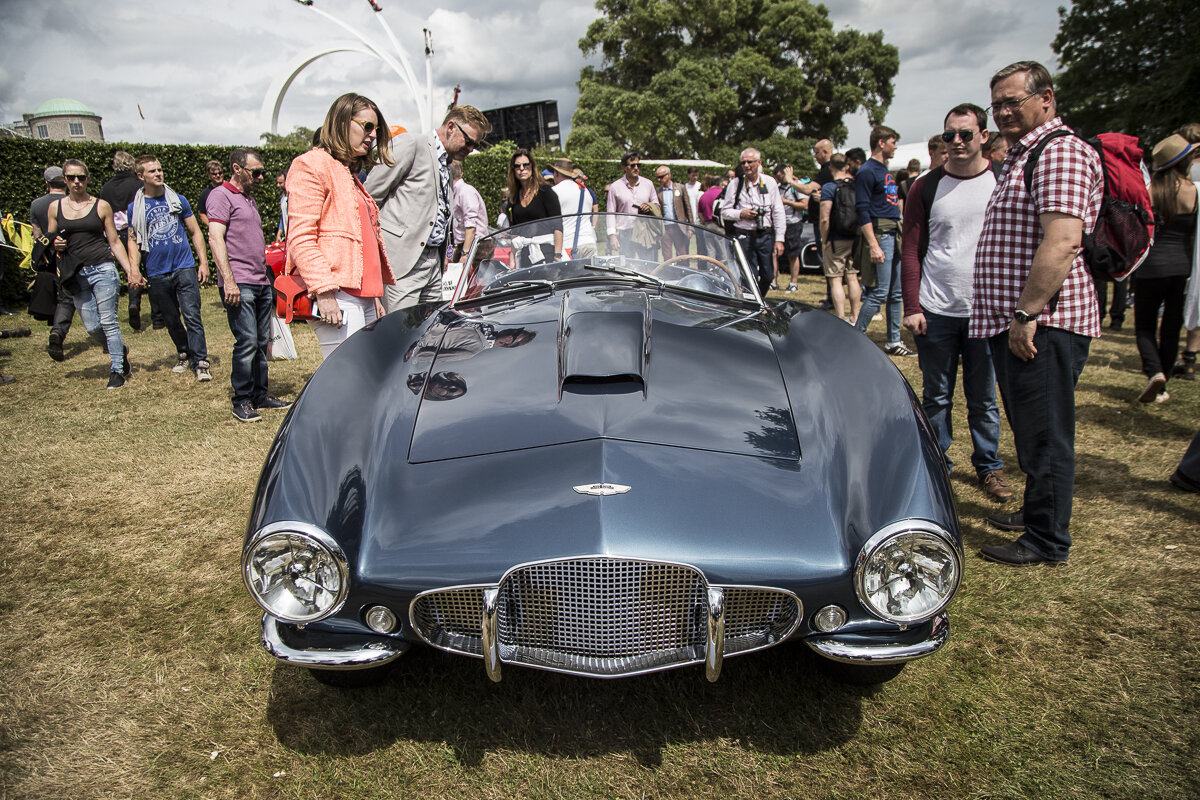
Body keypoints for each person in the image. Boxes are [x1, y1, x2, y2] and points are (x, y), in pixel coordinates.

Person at [970, 60, 1103, 567]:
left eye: (1013, 101)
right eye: (997, 104)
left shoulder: (1060, 152)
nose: (1003, 111)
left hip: (1044, 324)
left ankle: (1047, 541)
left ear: (1046, 99)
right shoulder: (1028, 154)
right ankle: (1036, 513)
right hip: (1025, 323)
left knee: (1046, 434)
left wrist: (1026, 314)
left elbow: (1064, 240)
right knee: (1031, 429)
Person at [900, 104, 1012, 502]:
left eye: (966, 134)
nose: (957, 142)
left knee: (984, 397)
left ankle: (989, 466)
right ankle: (937, 465)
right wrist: (912, 306)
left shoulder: (1002, 180)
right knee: (937, 395)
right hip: (937, 309)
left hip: (986, 311)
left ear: (984, 136)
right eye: (950, 135)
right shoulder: (926, 186)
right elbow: (910, 249)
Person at [286, 93, 396, 359]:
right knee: (347, 383)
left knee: (363, 377)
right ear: (342, 121)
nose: (372, 135)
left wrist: (373, 298)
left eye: (377, 129)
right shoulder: (311, 165)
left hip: (361, 296)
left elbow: (363, 244)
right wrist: (323, 292)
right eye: (367, 126)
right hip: (336, 293)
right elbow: (300, 237)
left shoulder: (345, 171)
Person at [366, 105, 491, 313]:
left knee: (429, 332)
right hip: (402, 263)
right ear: (451, 127)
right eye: (468, 142)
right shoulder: (411, 144)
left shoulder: (447, 164)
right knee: (401, 334)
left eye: (475, 144)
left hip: (434, 263)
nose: (470, 149)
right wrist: (374, 256)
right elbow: (370, 197)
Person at [45, 159, 145, 389]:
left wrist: (132, 271)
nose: (77, 182)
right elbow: (48, 241)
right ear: (65, 180)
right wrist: (55, 244)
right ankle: (119, 349)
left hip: (103, 267)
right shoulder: (55, 208)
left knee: (109, 321)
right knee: (91, 326)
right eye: (71, 178)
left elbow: (114, 242)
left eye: (81, 177)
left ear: (87, 178)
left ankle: (117, 370)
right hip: (75, 273)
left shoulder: (101, 206)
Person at [207, 147, 291, 421]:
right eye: (256, 172)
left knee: (260, 341)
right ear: (236, 168)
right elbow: (215, 238)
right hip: (239, 282)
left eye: (262, 172)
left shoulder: (249, 199)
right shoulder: (221, 195)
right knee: (246, 341)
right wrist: (228, 281)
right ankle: (241, 399)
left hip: (259, 280)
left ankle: (259, 395)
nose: (261, 177)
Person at [125, 154, 212, 382]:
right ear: (140, 175)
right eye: (152, 171)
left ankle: (201, 360)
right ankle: (184, 352)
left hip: (184, 267)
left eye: (160, 170)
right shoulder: (135, 207)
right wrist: (134, 269)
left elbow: (195, 232)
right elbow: (133, 240)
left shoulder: (177, 200)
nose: (158, 174)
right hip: (156, 271)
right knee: (171, 318)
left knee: (192, 315)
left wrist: (203, 262)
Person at [1132, 134, 1197, 403]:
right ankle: (1164, 382)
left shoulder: (1149, 191)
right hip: (1181, 267)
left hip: (1149, 267)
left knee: (1145, 326)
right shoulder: (1194, 190)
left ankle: (1154, 371)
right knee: (1171, 326)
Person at [853, 126, 913, 356]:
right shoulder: (867, 171)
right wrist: (874, 244)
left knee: (896, 293)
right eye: (892, 141)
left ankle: (893, 341)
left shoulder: (883, 169)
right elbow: (862, 209)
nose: (895, 146)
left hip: (893, 233)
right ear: (880, 142)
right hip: (881, 234)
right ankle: (856, 338)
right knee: (878, 292)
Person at [100, 150, 157, 331]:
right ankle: (157, 315)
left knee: (131, 269)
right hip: (139, 231)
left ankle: (134, 303)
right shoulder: (137, 184)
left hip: (117, 234)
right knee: (150, 270)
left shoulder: (106, 188)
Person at [721, 147, 785, 296]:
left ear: (759, 162)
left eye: (750, 162)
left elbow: (778, 211)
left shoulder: (769, 182)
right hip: (744, 235)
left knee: (769, 275)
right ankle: (750, 303)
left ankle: (758, 299)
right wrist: (741, 214)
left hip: (765, 235)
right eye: (743, 162)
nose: (747, 165)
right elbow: (724, 212)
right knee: (750, 277)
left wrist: (780, 239)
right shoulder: (736, 184)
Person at [30, 166, 74, 362]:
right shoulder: (72, 201)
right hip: (73, 255)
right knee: (72, 295)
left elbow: (38, 236)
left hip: (50, 257)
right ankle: (58, 330)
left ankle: (55, 329)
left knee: (62, 295)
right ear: (64, 180)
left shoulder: (36, 205)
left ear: (47, 183)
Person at [818, 153, 862, 322]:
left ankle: (841, 317)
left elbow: (824, 217)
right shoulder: (856, 185)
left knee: (836, 279)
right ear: (847, 166)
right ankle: (855, 315)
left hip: (836, 238)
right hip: (854, 237)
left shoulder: (829, 188)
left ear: (831, 168)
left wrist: (824, 238)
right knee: (852, 276)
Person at [506, 149, 563, 267]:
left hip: (547, 253)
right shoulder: (513, 198)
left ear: (532, 166)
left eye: (526, 165)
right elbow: (514, 232)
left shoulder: (545, 192)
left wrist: (557, 256)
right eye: (517, 166)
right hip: (525, 254)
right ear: (513, 170)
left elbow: (558, 226)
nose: (522, 169)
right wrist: (512, 261)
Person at [605, 151, 660, 260]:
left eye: (638, 165)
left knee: (648, 265)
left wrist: (649, 207)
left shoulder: (648, 184)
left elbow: (656, 205)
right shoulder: (615, 187)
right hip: (625, 233)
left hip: (644, 231)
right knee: (627, 268)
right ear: (624, 167)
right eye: (632, 165)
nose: (636, 168)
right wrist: (612, 236)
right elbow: (610, 212)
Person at [775, 164, 816, 292]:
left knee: (792, 254)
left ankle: (793, 282)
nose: (780, 181)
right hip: (778, 223)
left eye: (782, 178)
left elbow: (805, 205)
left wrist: (787, 202)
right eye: (778, 179)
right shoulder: (777, 187)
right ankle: (773, 281)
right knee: (774, 253)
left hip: (793, 223)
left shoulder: (796, 187)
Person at [550, 158, 599, 258]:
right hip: (589, 242)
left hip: (568, 246)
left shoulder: (554, 192)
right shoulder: (585, 191)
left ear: (556, 173)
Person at [450, 160, 487, 263]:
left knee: (475, 278)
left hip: (476, 245)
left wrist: (465, 254)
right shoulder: (456, 192)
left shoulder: (465, 191)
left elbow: (470, 225)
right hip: (467, 244)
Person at [654, 165, 693, 259]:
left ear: (668, 175)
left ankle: (683, 273)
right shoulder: (658, 191)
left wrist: (690, 228)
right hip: (665, 228)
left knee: (682, 254)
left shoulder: (680, 188)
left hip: (679, 226)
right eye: (658, 177)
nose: (659, 180)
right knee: (667, 255)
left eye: (661, 177)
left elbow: (688, 209)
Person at [196, 160, 224, 229]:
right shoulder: (205, 193)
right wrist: (212, 227)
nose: (218, 175)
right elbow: (202, 213)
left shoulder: (230, 189)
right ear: (209, 175)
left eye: (220, 173)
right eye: (214, 174)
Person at [274, 169, 289, 242]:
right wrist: (279, 233)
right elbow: (283, 217)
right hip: (287, 238)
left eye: (280, 183)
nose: (278, 185)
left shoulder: (293, 198)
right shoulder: (283, 198)